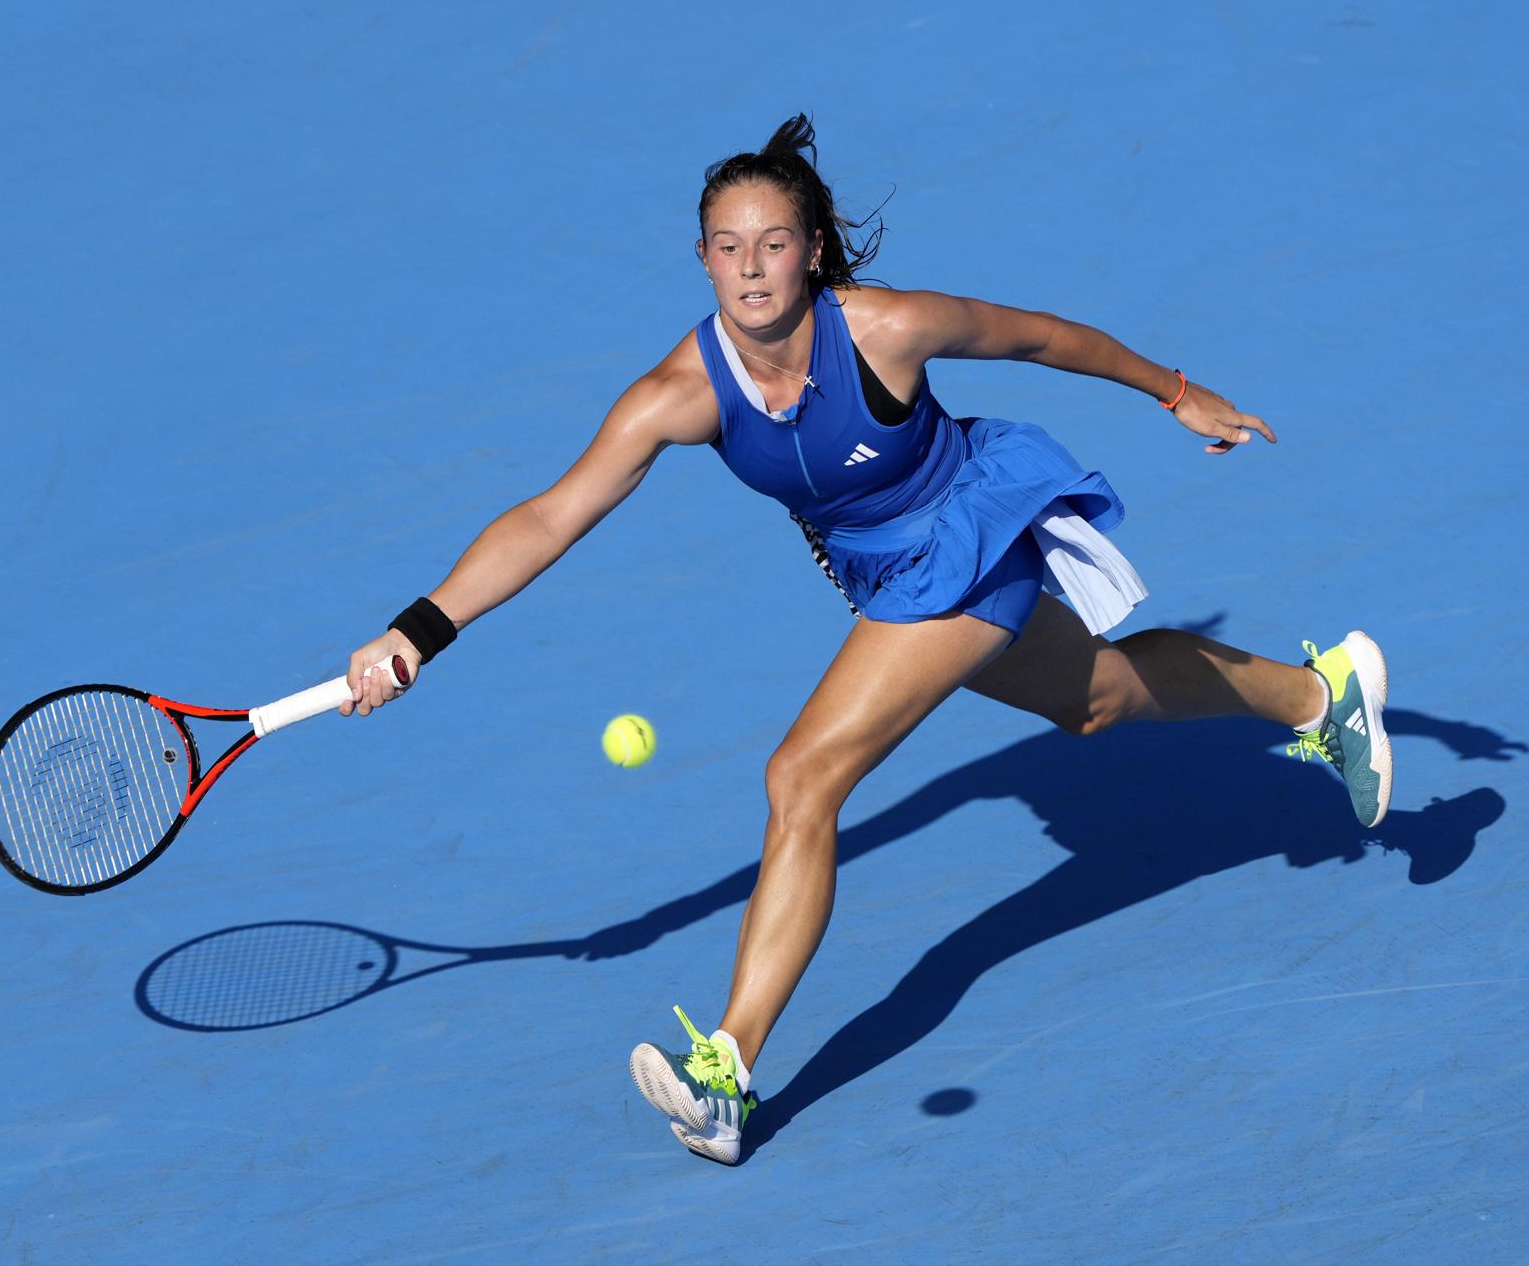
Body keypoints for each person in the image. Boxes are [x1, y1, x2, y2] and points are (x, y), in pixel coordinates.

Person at [342, 115, 1392, 1165]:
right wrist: (417, 631)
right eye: (727, 245)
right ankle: (1321, 695)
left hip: (966, 535)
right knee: (1098, 699)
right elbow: (549, 515)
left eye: (773, 242)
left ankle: (727, 1071)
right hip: (886, 575)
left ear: (809, 249)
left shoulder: (884, 328)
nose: (751, 267)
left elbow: (1037, 335)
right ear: (700, 256)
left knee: (804, 775)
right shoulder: (678, 394)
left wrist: (1173, 388)